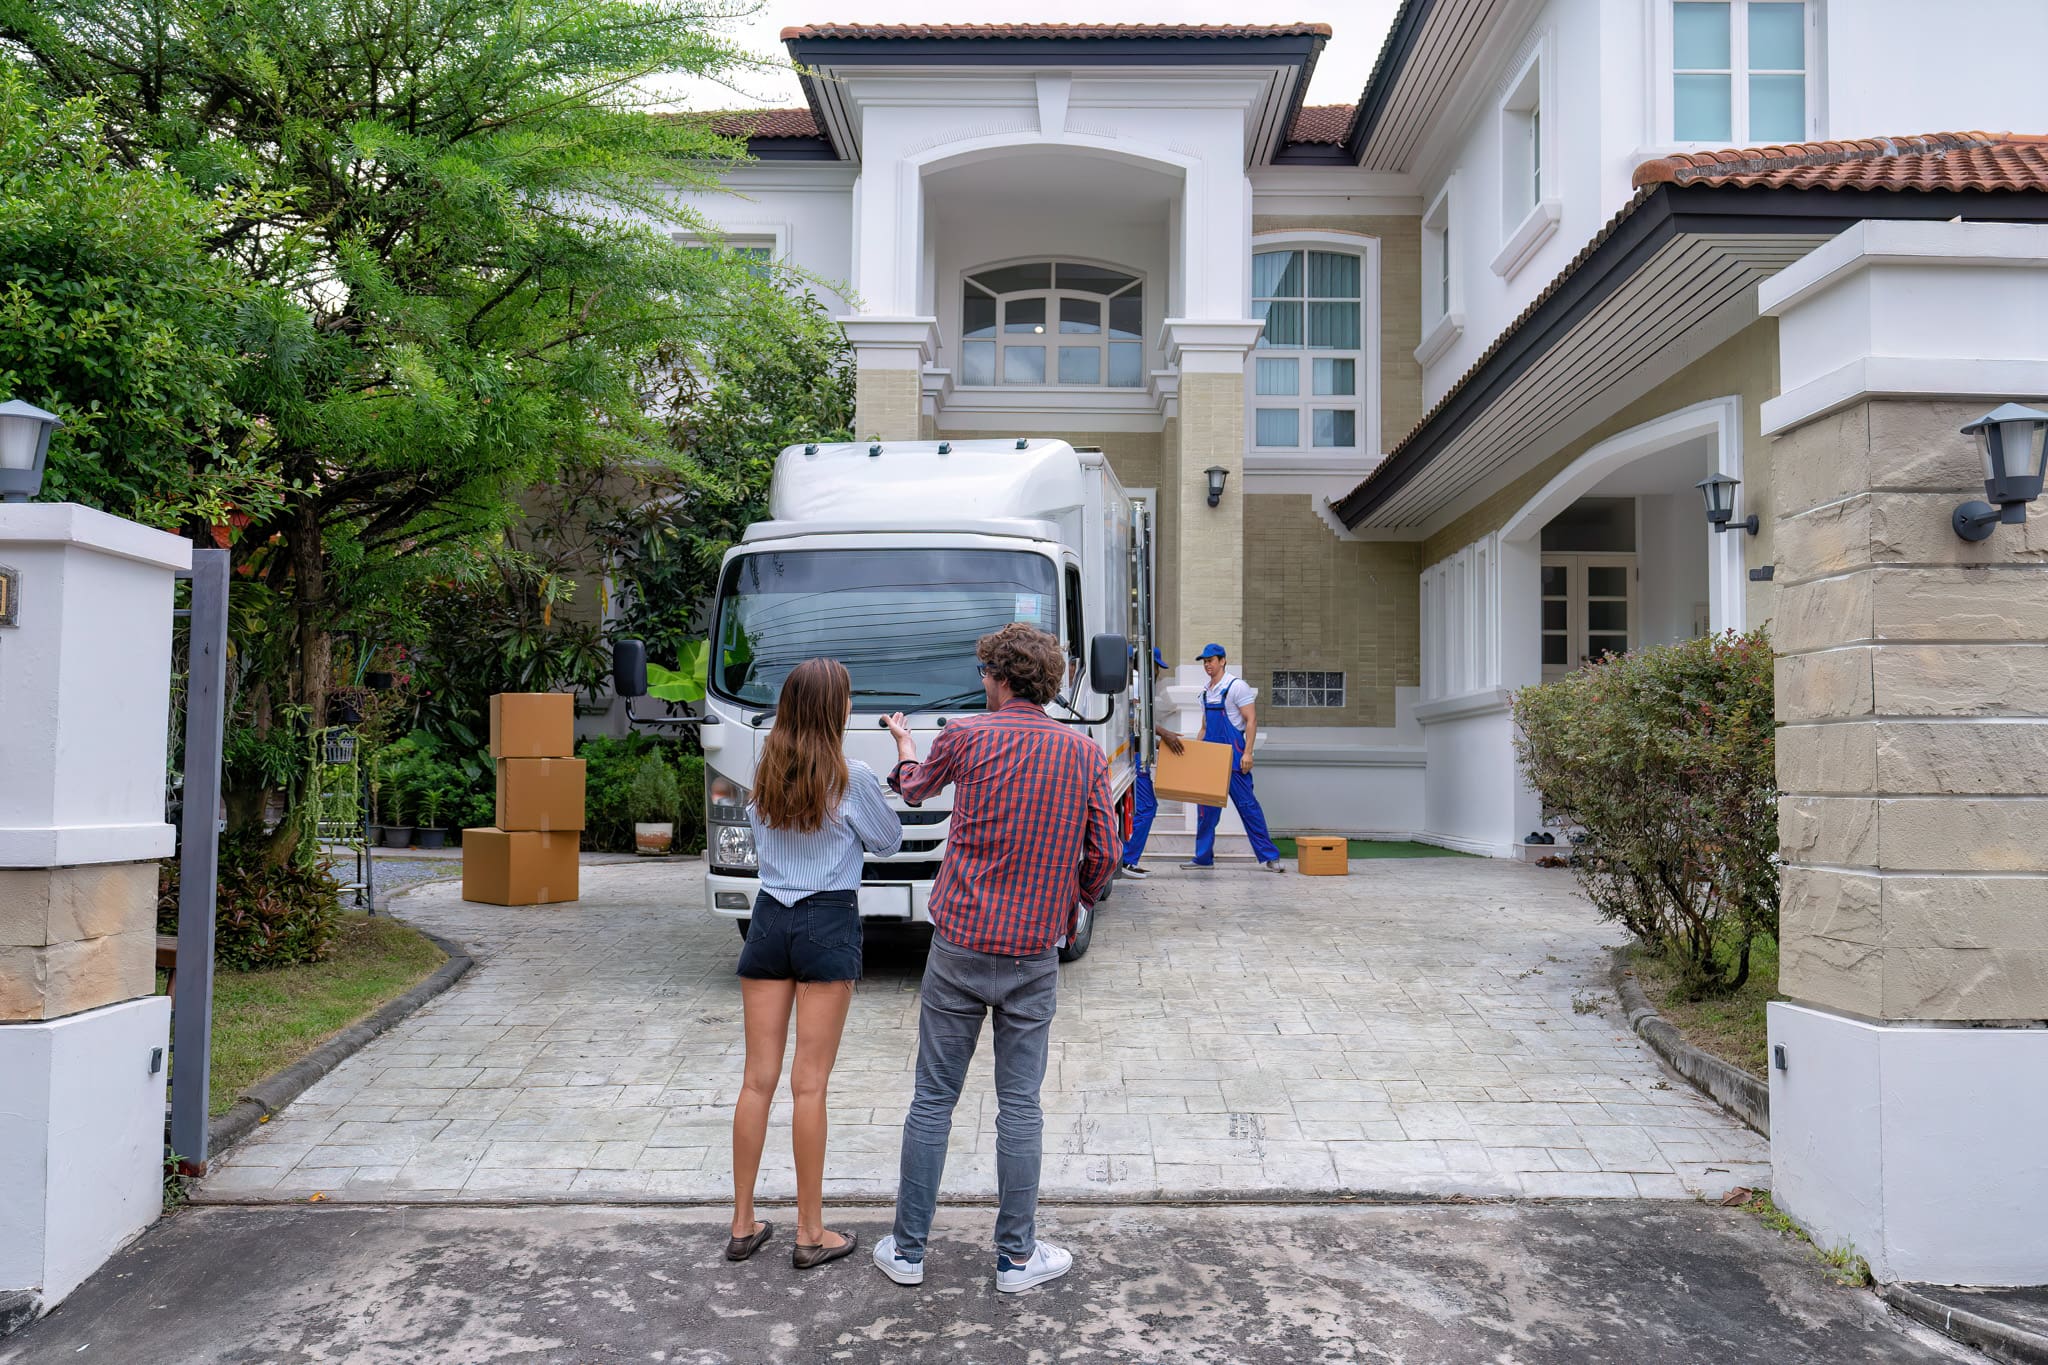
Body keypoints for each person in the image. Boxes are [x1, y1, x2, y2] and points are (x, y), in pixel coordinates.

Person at [871, 623, 1118, 1294]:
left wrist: (904, 748)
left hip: (958, 946)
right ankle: (1015, 1257)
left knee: (932, 1099)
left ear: (996, 676)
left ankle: (909, 1251)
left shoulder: (965, 735)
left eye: (983, 669)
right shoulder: (1084, 752)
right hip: (1035, 949)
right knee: (1021, 1106)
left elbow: (915, 790)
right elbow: (1106, 852)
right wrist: (1075, 903)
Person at [727, 657, 902, 1270]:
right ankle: (810, 1232)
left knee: (757, 1080)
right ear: (836, 709)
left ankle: (744, 1223)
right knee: (811, 1083)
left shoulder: (767, 768)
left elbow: (757, 836)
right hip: (827, 920)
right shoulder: (850, 775)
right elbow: (887, 841)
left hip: (770, 917)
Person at [1181, 643, 1285, 874]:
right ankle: (1203, 857)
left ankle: (1270, 856)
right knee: (1205, 812)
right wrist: (1197, 754)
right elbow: (1204, 727)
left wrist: (1248, 752)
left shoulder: (1237, 687)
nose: (1208, 665)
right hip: (1210, 761)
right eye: (1205, 661)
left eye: (1212, 660)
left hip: (1235, 758)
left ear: (1223, 661)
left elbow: (1251, 720)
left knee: (1248, 808)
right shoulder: (1206, 692)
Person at [1119, 646, 1185, 880]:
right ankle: (1127, 859)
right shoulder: (1133, 684)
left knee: (1142, 808)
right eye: (1156, 666)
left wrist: (1162, 742)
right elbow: (1135, 719)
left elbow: (1137, 728)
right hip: (1133, 758)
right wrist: (1164, 734)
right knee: (1147, 808)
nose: (1157, 672)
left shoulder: (1131, 684)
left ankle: (1127, 858)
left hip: (1134, 753)